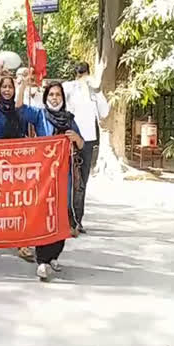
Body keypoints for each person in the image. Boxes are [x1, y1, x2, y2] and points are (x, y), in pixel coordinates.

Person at [0, 69, 44, 262]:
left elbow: (19, 104)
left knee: (20, 201)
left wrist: (23, 85)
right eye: (3, 87)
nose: (6, 90)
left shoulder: (19, 107)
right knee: (0, 200)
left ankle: (23, 243)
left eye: (9, 87)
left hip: (19, 162)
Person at [35, 81, 84, 280]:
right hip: (44, 176)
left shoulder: (69, 120)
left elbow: (81, 144)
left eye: (58, 95)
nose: (55, 98)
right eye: (51, 94)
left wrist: (74, 138)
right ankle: (42, 260)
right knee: (43, 216)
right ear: (46, 97)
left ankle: (54, 255)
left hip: (65, 177)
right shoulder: (39, 116)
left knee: (61, 216)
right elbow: (20, 108)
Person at [62, 62, 109, 232]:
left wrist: (96, 91)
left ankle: (77, 220)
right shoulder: (69, 87)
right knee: (68, 180)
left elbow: (104, 112)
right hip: (69, 137)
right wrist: (77, 85)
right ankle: (66, 218)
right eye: (82, 75)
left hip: (88, 140)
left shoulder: (94, 92)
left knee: (82, 181)